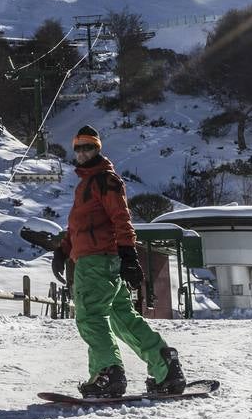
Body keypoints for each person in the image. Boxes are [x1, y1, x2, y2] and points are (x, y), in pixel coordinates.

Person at [60, 124, 185, 399]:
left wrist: (129, 255)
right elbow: (79, 226)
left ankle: (107, 374)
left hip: (97, 261)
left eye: (88, 147)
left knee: (91, 316)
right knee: (121, 318)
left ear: (98, 149)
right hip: (97, 259)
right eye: (78, 148)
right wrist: (63, 250)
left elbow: (121, 219)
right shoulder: (86, 184)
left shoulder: (106, 180)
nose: (82, 153)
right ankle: (165, 365)